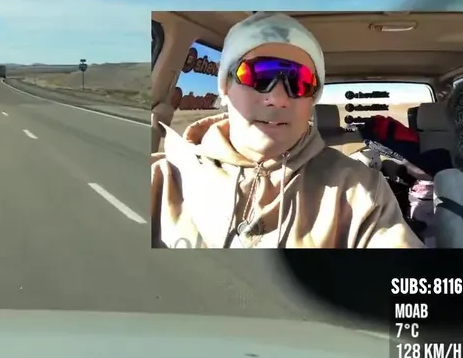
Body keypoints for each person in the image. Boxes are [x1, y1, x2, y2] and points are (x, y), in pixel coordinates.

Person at [151, 12, 422, 248]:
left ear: (312, 100)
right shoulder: (162, 179)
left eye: (300, 82)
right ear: (225, 86)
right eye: (258, 75)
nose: (278, 98)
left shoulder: (360, 191)